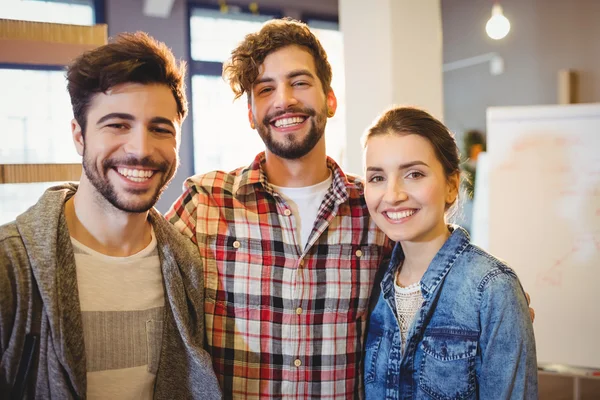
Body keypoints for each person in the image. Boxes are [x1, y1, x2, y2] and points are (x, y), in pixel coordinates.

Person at [167, 18, 390, 399]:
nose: (284, 99)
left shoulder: (374, 207)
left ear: (330, 99)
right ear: (252, 113)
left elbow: (432, 284)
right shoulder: (205, 202)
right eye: (266, 89)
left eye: (299, 82)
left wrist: (492, 306)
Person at [0, 32, 221, 399]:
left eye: (160, 128)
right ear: (79, 135)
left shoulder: (185, 266)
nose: (140, 149)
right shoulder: (11, 268)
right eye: (118, 124)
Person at [362, 107, 537, 399]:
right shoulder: (372, 283)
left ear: (451, 185)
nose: (392, 195)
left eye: (413, 174)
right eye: (377, 178)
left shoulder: (493, 288)